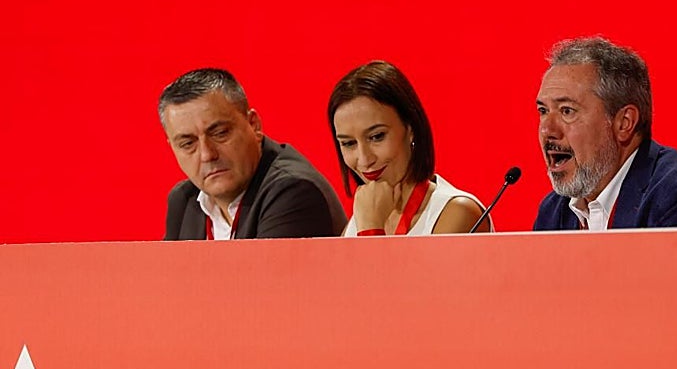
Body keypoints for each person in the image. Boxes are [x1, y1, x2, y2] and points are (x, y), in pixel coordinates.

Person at [532, 36, 677, 230]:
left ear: (624, 123)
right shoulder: (554, 212)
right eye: (543, 111)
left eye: (567, 111)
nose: (547, 130)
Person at [161, 68, 347, 240]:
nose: (207, 155)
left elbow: (263, 276)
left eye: (220, 134)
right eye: (187, 144)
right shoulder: (184, 200)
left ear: (253, 125)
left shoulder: (293, 191)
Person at [329, 61, 488, 235]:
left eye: (377, 137)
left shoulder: (457, 213)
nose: (365, 159)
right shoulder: (360, 219)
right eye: (349, 143)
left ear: (410, 128)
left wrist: (371, 230)